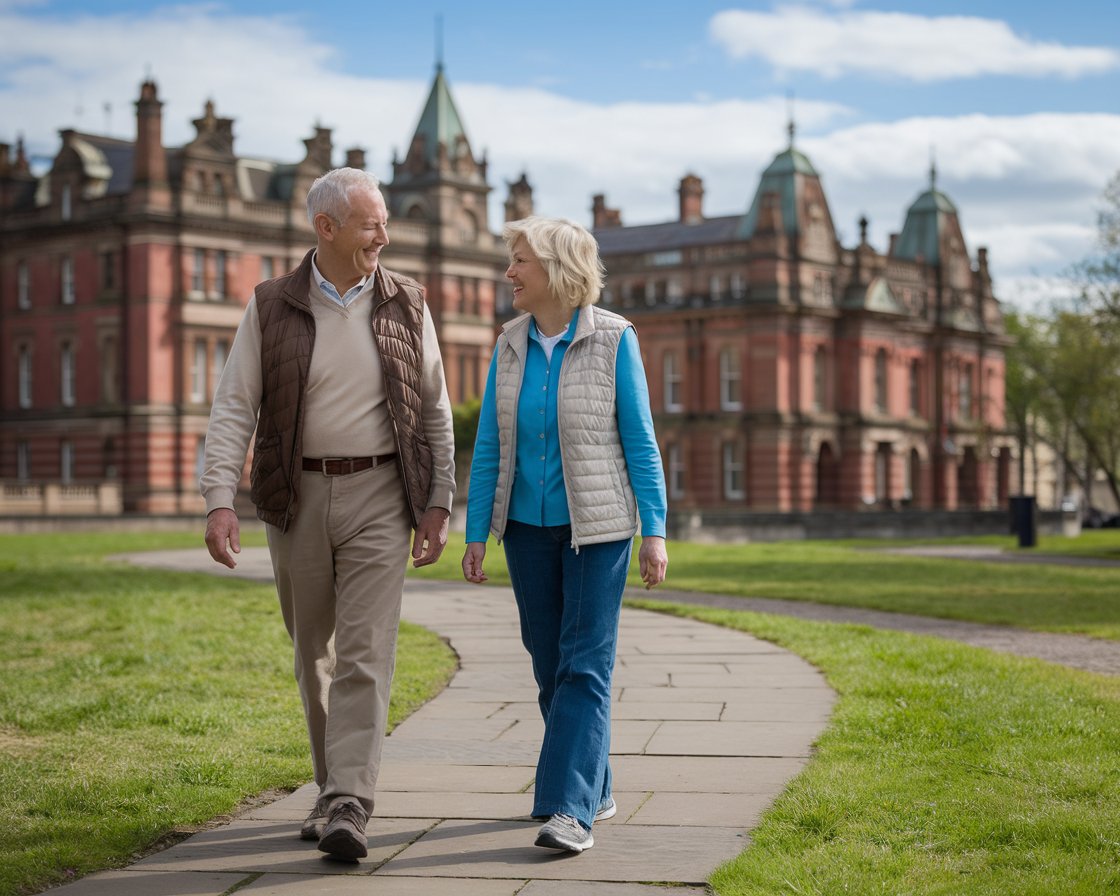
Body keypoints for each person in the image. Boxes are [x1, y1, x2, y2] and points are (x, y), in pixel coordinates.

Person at [201, 167, 455, 861]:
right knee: (313, 651)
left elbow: (434, 408)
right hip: (296, 496)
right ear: (327, 228)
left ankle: (349, 799)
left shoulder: (409, 302)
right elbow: (234, 407)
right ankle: (330, 790)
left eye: (384, 223)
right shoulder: (271, 305)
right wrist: (219, 499)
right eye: (372, 224)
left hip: (380, 493)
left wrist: (439, 501)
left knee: (367, 652)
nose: (385, 235)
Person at [461, 216, 668, 853]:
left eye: (519, 260)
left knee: (585, 668)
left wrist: (654, 530)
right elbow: (490, 443)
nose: (509, 272)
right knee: (550, 667)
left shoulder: (614, 339)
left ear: (556, 269)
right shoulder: (510, 343)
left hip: (599, 532)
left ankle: (568, 811)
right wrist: (475, 531)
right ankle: (596, 785)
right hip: (525, 531)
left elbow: (640, 440)